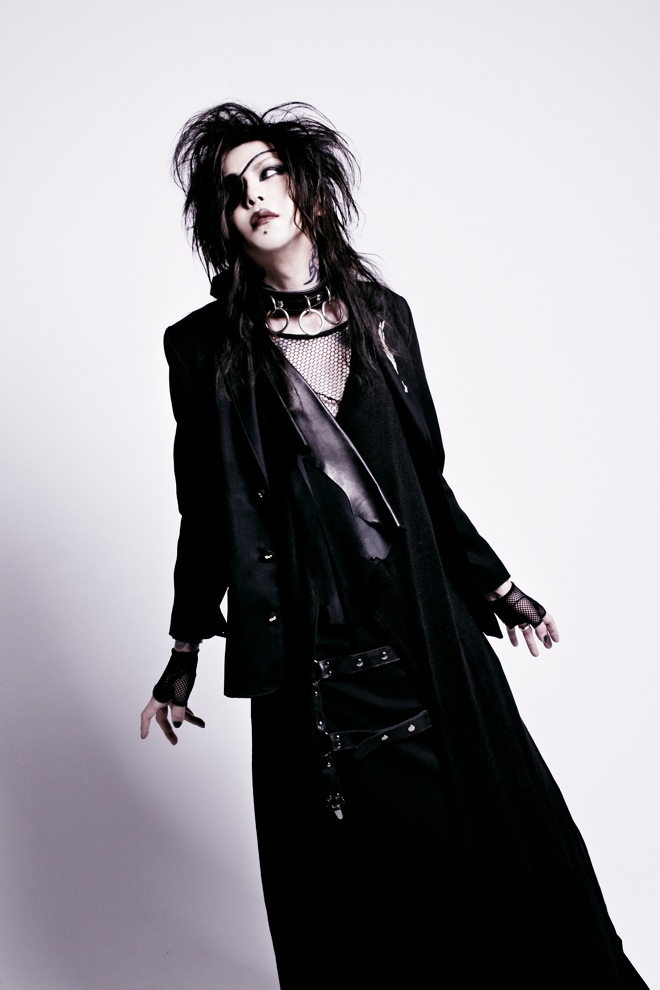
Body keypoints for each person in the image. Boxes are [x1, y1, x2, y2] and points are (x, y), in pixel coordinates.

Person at [140, 102, 649, 989]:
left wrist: (496, 585)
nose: (253, 195)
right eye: (231, 190)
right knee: (354, 892)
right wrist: (185, 647)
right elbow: (206, 510)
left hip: (425, 630)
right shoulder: (201, 348)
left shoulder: (384, 317)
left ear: (308, 188)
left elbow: (422, 479)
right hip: (310, 651)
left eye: (268, 173)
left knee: (500, 845)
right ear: (220, 222)